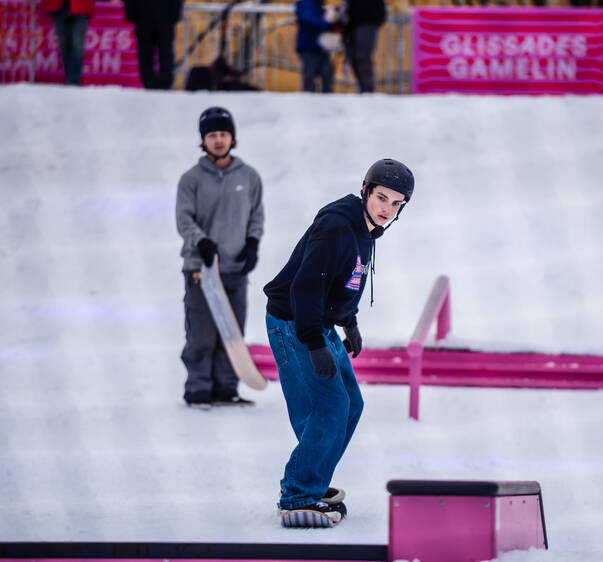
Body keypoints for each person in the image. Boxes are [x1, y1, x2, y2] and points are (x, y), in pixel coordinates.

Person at [264, 158, 415, 527]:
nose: (387, 210)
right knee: (329, 407)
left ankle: (312, 479)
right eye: (382, 198)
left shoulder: (366, 229)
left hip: (322, 323)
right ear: (365, 190)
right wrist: (314, 343)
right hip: (295, 322)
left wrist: (349, 322)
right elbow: (306, 285)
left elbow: (344, 280)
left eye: (397, 204)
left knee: (350, 405)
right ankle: (299, 493)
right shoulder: (336, 227)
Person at [176, 107, 265, 409]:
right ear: (203, 141)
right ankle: (198, 388)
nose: (218, 140)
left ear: (232, 138)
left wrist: (252, 244)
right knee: (201, 333)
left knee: (233, 333)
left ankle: (226, 388)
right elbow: (184, 219)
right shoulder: (191, 179)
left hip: (234, 268)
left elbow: (256, 216)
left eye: (223, 134)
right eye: (212, 135)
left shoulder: (249, 177)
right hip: (201, 270)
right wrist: (201, 243)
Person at [123, 0, 184, 89]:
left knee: (154, 51)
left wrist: (131, 15)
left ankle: (157, 80)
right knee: (161, 51)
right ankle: (158, 80)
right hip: (159, 16)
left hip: (148, 16)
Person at [42, 0, 94, 85]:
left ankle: (73, 82)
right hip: (58, 6)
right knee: (64, 46)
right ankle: (72, 81)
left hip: (81, 7)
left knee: (77, 47)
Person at [343, 0, 385, 93]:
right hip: (355, 25)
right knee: (355, 59)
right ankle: (363, 88)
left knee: (362, 57)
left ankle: (367, 89)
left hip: (366, 22)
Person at [295, 0, 335, 93]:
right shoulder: (306, 3)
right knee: (310, 74)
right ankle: (309, 100)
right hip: (308, 46)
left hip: (321, 46)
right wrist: (328, 25)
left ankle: (328, 98)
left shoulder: (318, 5)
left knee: (327, 71)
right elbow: (309, 18)